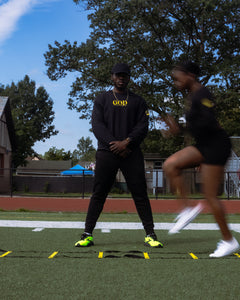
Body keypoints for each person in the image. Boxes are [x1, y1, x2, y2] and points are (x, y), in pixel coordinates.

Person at [75, 63, 163, 248]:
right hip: (108, 153)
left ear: (129, 77)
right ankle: (87, 234)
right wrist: (114, 144)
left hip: (131, 152)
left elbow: (143, 126)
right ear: (112, 77)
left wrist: (127, 142)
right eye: (118, 75)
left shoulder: (138, 101)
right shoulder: (102, 99)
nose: (121, 78)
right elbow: (97, 125)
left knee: (140, 195)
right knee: (99, 194)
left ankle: (151, 234)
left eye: (125, 75)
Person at [162, 61, 239, 257]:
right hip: (204, 145)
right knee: (170, 165)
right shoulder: (192, 96)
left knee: (210, 196)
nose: (175, 82)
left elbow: (208, 121)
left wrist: (181, 129)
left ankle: (229, 241)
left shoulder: (203, 93)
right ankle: (187, 209)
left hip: (216, 145)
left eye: (177, 77)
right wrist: (178, 130)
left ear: (190, 76)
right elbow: (198, 126)